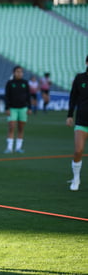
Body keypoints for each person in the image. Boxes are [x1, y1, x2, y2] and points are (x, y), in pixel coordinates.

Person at [66, 55, 88, 191]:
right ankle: (76, 178)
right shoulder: (80, 78)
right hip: (82, 120)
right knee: (78, 150)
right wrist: (69, 115)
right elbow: (73, 97)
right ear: (86, 62)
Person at [4, 66, 31, 154]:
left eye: (21, 72)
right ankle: (9, 147)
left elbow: (28, 96)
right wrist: (7, 108)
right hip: (12, 108)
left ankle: (18, 147)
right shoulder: (10, 83)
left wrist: (29, 107)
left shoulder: (25, 83)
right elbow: (7, 96)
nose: (19, 73)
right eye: (17, 72)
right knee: (11, 127)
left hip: (23, 108)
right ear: (14, 73)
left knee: (21, 128)